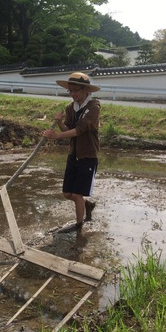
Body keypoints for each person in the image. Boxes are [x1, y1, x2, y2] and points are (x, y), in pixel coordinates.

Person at [43, 72, 100, 232]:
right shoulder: (70, 107)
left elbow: (80, 130)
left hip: (88, 155)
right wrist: (60, 123)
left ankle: (78, 225)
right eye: (70, 91)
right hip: (73, 154)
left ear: (86, 91)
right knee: (68, 193)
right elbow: (68, 129)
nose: (73, 94)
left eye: (76, 90)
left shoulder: (93, 107)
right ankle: (87, 205)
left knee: (77, 194)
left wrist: (58, 136)